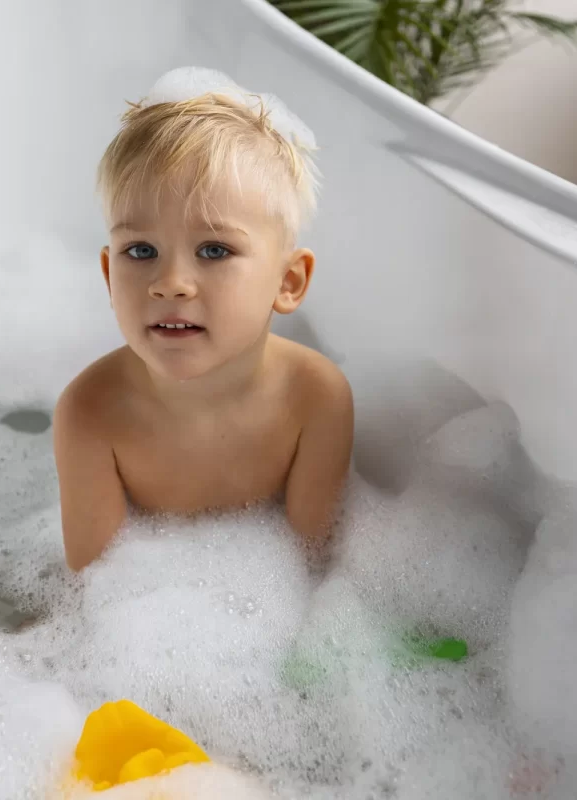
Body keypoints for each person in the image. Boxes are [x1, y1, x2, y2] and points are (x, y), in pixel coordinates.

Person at [54, 68, 353, 572]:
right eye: (141, 249)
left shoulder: (315, 397)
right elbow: (94, 594)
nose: (170, 282)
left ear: (289, 282)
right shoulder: (89, 413)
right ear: (109, 275)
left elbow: (315, 571)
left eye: (214, 250)